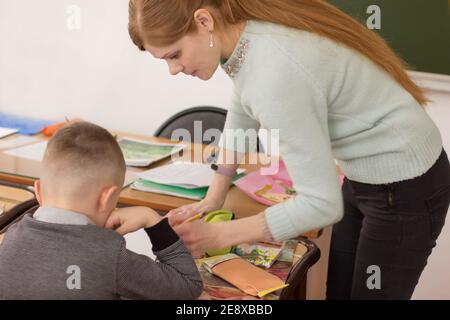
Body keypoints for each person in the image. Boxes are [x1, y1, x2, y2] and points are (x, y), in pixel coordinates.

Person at [127, 0, 450, 299]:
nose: (173, 69)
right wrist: (214, 196)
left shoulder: (275, 73)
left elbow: (322, 206)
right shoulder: (245, 41)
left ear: (204, 21)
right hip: (362, 174)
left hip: (405, 183)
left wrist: (219, 235)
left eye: (174, 55)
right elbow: (242, 111)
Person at [0, 122, 203, 300]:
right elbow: (188, 285)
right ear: (106, 198)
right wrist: (152, 219)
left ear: (38, 191)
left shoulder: (10, 239)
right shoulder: (110, 255)